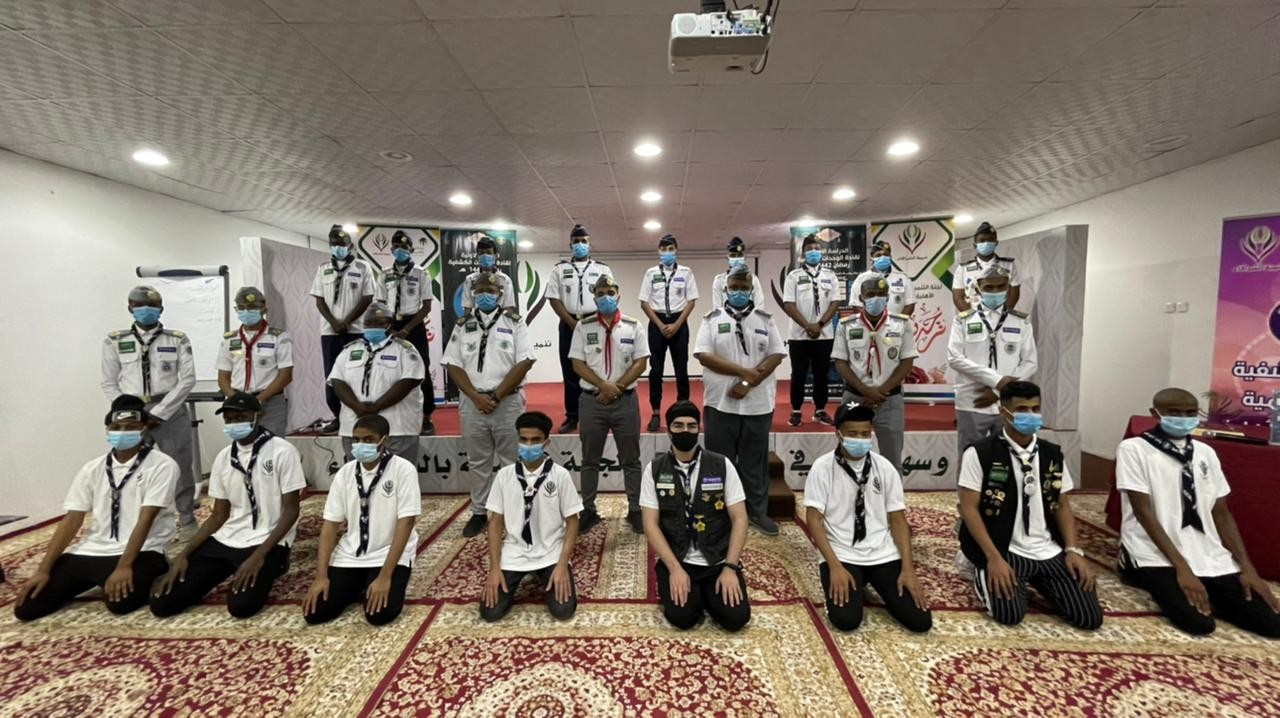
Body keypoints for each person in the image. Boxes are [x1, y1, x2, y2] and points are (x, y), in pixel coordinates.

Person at [1116, 388, 1280, 638]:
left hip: (1205, 550)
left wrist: (1247, 568)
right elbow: (1143, 511)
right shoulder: (1134, 449)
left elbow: (1221, 513)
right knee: (1199, 624)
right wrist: (1183, 568)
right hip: (1155, 553)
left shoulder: (1205, 453)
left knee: (1271, 624)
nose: (1183, 418)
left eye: (1190, 413)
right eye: (1174, 413)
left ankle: (1216, 591)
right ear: (1155, 414)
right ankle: (1130, 566)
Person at [14, 395, 177, 621]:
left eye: (131, 427)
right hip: (92, 549)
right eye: (116, 427)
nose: (122, 432)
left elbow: (146, 517)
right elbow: (72, 518)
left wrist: (124, 566)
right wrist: (43, 570)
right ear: (107, 429)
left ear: (144, 428)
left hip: (142, 550)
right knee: (27, 607)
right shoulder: (92, 468)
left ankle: (155, 568)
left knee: (121, 604)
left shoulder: (162, 465)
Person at [958, 381, 1103, 630]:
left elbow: (1062, 505)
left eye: (1035, 409)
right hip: (1004, 548)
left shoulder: (1051, 454)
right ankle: (977, 566)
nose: (1031, 415)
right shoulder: (981, 453)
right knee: (1009, 615)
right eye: (1022, 409)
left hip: (1047, 548)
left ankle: (1043, 580)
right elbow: (969, 508)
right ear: (1004, 412)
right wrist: (992, 558)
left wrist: (1072, 550)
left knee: (1088, 618)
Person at [150, 392, 304, 619]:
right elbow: (218, 515)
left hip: (268, 540)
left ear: (258, 415)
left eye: (241, 417)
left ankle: (277, 564)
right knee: (162, 603)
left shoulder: (282, 451)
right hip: (230, 538)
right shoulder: (223, 457)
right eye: (229, 419)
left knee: (242, 606)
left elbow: (291, 510)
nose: (234, 423)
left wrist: (259, 556)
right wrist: (184, 554)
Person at [805, 403, 932, 632]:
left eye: (865, 434)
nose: (860, 439)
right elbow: (813, 520)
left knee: (920, 620)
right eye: (853, 434)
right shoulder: (822, 468)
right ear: (838, 434)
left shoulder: (885, 467)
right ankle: (856, 583)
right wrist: (834, 566)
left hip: (882, 552)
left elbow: (898, 520)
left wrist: (908, 569)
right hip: (842, 553)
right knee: (846, 620)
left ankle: (867, 582)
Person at [641, 401, 750, 631]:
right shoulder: (654, 469)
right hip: (678, 559)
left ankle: (707, 591)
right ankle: (689, 589)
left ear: (699, 429)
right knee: (683, 618)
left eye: (691, 426)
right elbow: (650, 524)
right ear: (668, 430)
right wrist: (675, 569)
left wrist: (730, 568)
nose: (685, 431)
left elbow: (740, 518)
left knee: (736, 619)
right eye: (678, 425)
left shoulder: (722, 464)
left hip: (717, 560)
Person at [442, 273, 537, 538]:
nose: (485, 295)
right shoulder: (463, 325)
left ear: (500, 294)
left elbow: (525, 361)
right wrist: (476, 396)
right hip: (473, 403)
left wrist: (495, 397)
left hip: (507, 402)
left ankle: (513, 510)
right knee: (478, 461)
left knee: (511, 460)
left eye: (491, 291)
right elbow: (452, 363)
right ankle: (479, 511)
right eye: (480, 290)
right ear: (473, 294)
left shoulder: (515, 323)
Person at [695, 265, 786, 536]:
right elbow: (704, 356)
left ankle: (757, 513)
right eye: (734, 287)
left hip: (758, 404)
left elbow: (776, 355)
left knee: (754, 462)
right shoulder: (711, 319)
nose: (739, 292)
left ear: (751, 290)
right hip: (720, 403)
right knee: (719, 462)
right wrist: (745, 373)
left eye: (744, 288)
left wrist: (747, 382)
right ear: (726, 289)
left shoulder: (765, 320)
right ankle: (719, 513)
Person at [304, 414, 421, 625]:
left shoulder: (403, 470)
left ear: (384, 441)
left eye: (368, 440)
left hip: (386, 553)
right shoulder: (345, 473)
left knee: (379, 615)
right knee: (315, 613)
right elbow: (330, 525)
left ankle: (370, 583)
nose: (360, 445)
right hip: (350, 554)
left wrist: (385, 576)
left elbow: (406, 523)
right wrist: (321, 575)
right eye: (356, 440)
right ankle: (358, 586)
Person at [100, 285, 197, 532]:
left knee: (180, 467)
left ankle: (187, 520)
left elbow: (187, 379)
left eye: (152, 306)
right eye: (139, 305)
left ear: (161, 309)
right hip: (131, 413)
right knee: (130, 466)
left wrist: (159, 413)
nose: (146, 310)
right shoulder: (115, 340)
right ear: (130, 307)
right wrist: (131, 412)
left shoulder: (177, 339)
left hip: (170, 410)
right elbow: (109, 382)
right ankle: (133, 521)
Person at [480, 411, 582, 622]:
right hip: (514, 553)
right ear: (517, 440)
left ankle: (543, 572)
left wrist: (562, 565)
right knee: (490, 612)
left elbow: (573, 522)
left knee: (563, 611)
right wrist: (494, 568)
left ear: (546, 442)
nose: (528, 445)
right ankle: (526, 573)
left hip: (551, 552)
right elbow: (495, 523)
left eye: (535, 440)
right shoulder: (504, 476)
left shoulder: (560, 475)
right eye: (524, 439)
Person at [570, 275, 649, 534]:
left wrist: (617, 388)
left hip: (625, 401)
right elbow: (577, 364)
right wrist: (603, 386)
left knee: (631, 459)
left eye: (610, 292)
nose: (606, 297)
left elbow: (641, 362)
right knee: (589, 460)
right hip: (592, 401)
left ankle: (635, 509)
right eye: (600, 293)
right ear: (594, 298)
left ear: (618, 295)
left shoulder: (633, 326)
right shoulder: (583, 327)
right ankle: (588, 510)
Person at [947, 265, 1037, 461]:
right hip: (972, 401)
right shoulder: (963, 320)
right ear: (978, 288)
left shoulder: (1020, 321)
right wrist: (997, 380)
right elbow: (955, 358)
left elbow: (1030, 363)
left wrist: (998, 390)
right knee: (970, 458)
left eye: (1001, 287)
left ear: (1008, 288)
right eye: (989, 287)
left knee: (1008, 459)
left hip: (1008, 403)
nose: (995, 291)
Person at [832, 276, 917, 472]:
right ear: (861, 297)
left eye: (881, 294)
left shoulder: (901, 324)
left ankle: (890, 493)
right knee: (848, 456)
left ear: (888, 296)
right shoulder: (846, 325)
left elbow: (907, 362)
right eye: (870, 294)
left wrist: (880, 392)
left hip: (890, 401)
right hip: (855, 398)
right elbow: (840, 362)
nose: (876, 299)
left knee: (892, 461)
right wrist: (865, 391)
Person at [328, 302, 424, 467]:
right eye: (369, 323)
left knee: (399, 475)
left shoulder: (405, 350)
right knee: (358, 476)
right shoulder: (349, 350)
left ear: (390, 324)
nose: (373, 326)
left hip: (397, 429)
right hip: (354, 428)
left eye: (379, 323)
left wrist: (375, 407)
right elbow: (337, 381)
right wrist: (358, 407)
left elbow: (409, 381)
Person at [546, 224, 613, 434]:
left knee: (597, 368)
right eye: (576, 241)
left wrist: (596, 322)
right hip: (569, 324)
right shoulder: (559, 269)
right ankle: (572, 416)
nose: (580, 244)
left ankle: (599, 412)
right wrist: (572, 323)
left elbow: (609, 296)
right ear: (570, 245)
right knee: (570, 370)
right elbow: (554, 299)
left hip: (596, 323)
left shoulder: (602, 269)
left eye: (584, 241)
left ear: (590, 244)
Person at [311, 224, 375, 434]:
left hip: (356, 331)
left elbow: (367, 297)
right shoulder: (323, 269)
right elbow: (319, 300)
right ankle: (337, 417)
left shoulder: (363, 267)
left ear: (351, 245)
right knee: (332, 375)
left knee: (357, 373)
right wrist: (334, 322)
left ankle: (360, 415)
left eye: (342, 243)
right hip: (330, 332)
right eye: (334, 243)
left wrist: (347, 321)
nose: (338, 247)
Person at [376, 230, 437, 436]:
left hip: (414, 325)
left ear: (411, 249)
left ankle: (427, 416)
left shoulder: (421, 273)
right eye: (396, 247)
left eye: (404, 247)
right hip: (390, 324)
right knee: (388, 367)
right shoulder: (384, 274)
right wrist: (388, 327)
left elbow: (426, 306)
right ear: (391, 249)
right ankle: (389, 413)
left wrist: (407, 329)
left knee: (421, 369)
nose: (400, 250)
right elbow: (380, 303)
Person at [639, 233, 699, 433]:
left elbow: (691, 301)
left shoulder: (686, 272)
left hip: (679, 323)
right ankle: (656, 413)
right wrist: (659, 324)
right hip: (657, 323)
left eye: (670, 249)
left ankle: (684, 410)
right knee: (655, 370)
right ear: (658, 251)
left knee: (681, 369)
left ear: (676, 250)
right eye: (663, 249)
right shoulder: (650, 273)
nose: (667, 252)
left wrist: (676, 325)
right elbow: (644, 302)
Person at [216, 286, 293, 436]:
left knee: (272, 444)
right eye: (241, 308)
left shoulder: (279, 337)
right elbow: (223, 377)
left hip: (270, 402)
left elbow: (285, 376)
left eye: (251, 307)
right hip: (238, 403)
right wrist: (236, 399)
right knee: (243, 445)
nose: (246, 311)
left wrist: (258, 400)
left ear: (264, 309)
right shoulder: (230, 339)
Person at [782, 233, 840, 427]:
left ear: (821, 252)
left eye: (816, 248)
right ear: (803, 253)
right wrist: (808, 326)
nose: (813, 252)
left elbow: (835, 302)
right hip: (799, 336)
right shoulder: (793, 276)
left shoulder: (830, 275)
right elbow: (789, 304)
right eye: (809, 249)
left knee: (821, 374)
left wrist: (820, 325)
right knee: (798, 374)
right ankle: (796, 411)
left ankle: (820, 410)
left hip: (824, 335)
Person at [951, 222, 1020, 312]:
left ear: (996, 243)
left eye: (990, 240)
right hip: (974, 314)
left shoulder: (1008, 265)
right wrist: (973, 317)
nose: (986, 243)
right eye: (982, 240)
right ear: (974, 245)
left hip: (1001, 314)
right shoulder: (963, 268)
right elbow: (958, 297)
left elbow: (1014, 294)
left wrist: (1003, 315)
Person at [850, 239, 916, 316]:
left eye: (886, 255)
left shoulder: (903, 278)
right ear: (872, 258)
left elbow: (910, 305)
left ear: (890, 257)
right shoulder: (861, 279)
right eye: (878, 255)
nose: (883, 257)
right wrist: (869, 322)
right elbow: (856, 305)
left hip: (897, 323)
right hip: (870, 323)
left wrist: (899, 322)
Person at [461, 235, 516, 311]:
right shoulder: (470, 280)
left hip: (499, 317)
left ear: (495, 256)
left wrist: (509, 319)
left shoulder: (505, 280)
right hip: (477, 317)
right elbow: (467, 307)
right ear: (477, 256)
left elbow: (508, 307)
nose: (485, 255)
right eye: (481, 253)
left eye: (489, 252)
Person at [710, 237, 764, 310]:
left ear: (744, 257)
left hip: (749, 315)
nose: (736, 258)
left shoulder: (753, 280)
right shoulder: (719, 280)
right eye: (733, 256)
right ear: (728, 257)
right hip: (726, 316)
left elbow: (759, 306)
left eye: (739, 255)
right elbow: (717, 308)